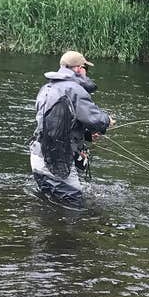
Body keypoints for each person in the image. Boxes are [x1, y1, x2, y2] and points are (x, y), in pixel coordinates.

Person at [29, 50, 114, 209]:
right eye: (85, 68)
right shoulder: (73, 89)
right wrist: (107, 120)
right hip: (57, 161)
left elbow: (55, 124)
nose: (86, 73)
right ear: (78, 69)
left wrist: (87, 135)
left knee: (50, 205)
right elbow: (96, 120)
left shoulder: (46, 88)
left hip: (38, 156)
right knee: (74, 209)